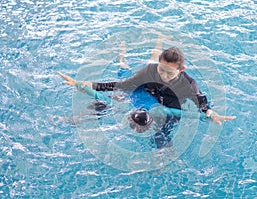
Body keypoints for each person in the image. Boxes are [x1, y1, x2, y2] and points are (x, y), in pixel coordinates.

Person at [58, 37, 236, 147]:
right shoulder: (150, 71)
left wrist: (210, 114)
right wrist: (84, 84)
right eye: (161, 70)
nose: (164, 76)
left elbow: (201, 102)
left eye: (170, 73)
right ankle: (76, 120)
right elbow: (122, 85)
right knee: (105, 101)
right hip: (147, 93)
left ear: (181, 69)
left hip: (169, 103)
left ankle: (165, 154)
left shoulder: (188, 84)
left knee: (162, 129)